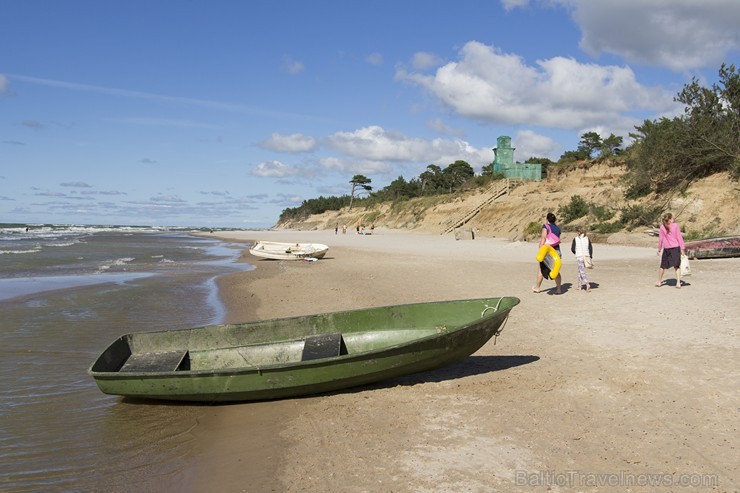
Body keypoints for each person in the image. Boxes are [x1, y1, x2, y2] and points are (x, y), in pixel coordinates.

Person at [533, 212, 562, 294]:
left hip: (547, 250)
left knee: (541, 269)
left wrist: (540, 250)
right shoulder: (557, 228)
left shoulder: (545, 226)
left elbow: (543, 238)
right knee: (555, 269)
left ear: (547, 219)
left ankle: (537, 287)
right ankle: (559, 289)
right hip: (556, 251)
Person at [656, 212, 686, 288]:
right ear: (669, 220)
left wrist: (659, 249)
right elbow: (679, 237)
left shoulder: (662, 227)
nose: (673, 219)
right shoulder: (675, 226)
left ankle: (659, 281)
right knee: (676, 265)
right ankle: (678, 282)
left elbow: (660, 239)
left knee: (662, 266)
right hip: (675, 248)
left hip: (667, 248)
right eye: (672, 218)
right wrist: (682, 248)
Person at [570, 227, 593, 292]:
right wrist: (590, 256)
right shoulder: (587, 239)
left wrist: (576, 253)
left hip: (579, 257)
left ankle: (587, 283)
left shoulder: (575, 239)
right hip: (586, 256)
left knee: (581, 271)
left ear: (579, 232)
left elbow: (572, 249)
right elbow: (590, 248)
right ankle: (579, 286)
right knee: (580, 271)